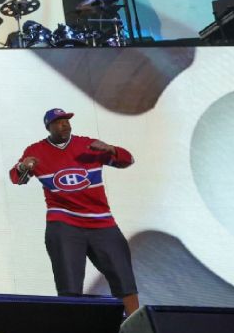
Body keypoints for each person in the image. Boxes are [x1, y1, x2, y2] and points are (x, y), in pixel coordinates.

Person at [10, 108, 139, 315]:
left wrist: (112, 149)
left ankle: (136, 326)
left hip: (102, 223)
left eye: (67, 121)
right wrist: (24, 166)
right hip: (64, 224)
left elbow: (129, 161)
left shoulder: (87, 145)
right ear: (48, 127)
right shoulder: (37, 151)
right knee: (69, 287)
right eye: (59, 122)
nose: (65, 125)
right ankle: (73, 332)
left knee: (124, 279)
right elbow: (17, 179)